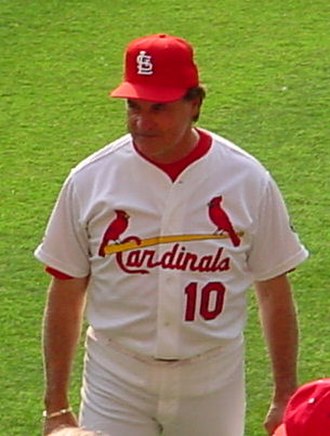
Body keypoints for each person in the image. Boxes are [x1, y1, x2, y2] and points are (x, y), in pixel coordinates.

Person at [35, 33, 309, 436]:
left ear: (194, 104)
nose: (142, 122)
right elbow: (66, 289)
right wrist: (56, 405)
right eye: (133, 106)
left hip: (213, 376)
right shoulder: (90, 180)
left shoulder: (247, 179)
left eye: (159, 108)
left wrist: (285, 393)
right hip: (116, 373)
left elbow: (274, 289)